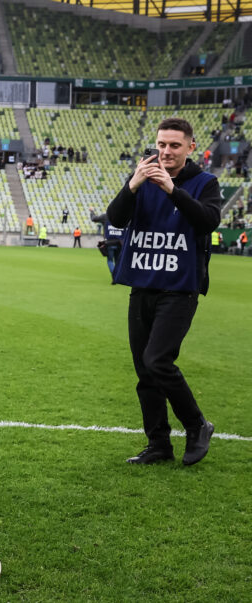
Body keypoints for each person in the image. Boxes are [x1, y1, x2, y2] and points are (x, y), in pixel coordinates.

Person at [107, 117, 220, 466]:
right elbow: (116, 218)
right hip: (143, 284)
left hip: (180, 287)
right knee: (145, 370)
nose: (166, 151)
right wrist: (133, 184)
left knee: (158, 360)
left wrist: (172, 189)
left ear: (190, 147)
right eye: (161, 144)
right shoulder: (142, 178)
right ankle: (158, 444)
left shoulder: (205, 182)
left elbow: (208, 221)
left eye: (174, 145)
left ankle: (197, 425)